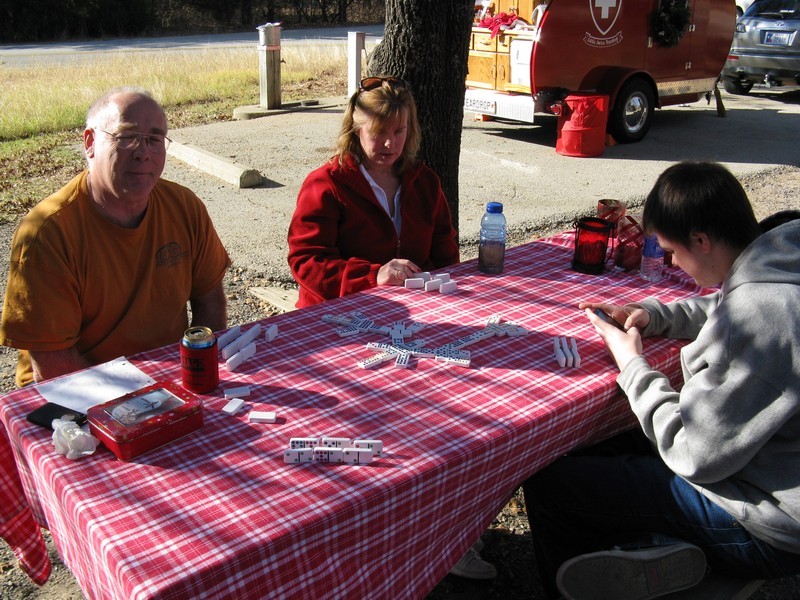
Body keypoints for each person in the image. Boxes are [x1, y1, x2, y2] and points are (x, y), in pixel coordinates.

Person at [522, 161, 800, 600]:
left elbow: (693, 452)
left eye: (671, 250)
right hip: (765, 464)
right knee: (597, 442)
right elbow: (726, 305)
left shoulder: (763, 314)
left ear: (701, 240)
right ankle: (645, 550)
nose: (671, 261)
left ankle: (636, 563)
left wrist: (632, 363)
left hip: (770, 525)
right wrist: (654, 315)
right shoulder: (780, 257)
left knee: (549, 483)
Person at [0, 87, 231, 387]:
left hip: (168, 380)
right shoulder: (47, 233)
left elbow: (210, 298)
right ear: (90, 143)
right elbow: (53, 365)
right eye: (127, 137)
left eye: (154, 139)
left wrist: (198, 374)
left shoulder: (184, 207)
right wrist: (145, 399)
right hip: (74, 392)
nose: (143, 152)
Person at [287, 76, 460, 309]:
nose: (389, 143)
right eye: (379, 132)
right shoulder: (326, 184)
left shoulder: (425, 182)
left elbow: (445, 255)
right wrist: (373, 276)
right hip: (338, 312)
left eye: (399, 131)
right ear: (356, 129)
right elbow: (307, 262)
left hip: (415, 307)